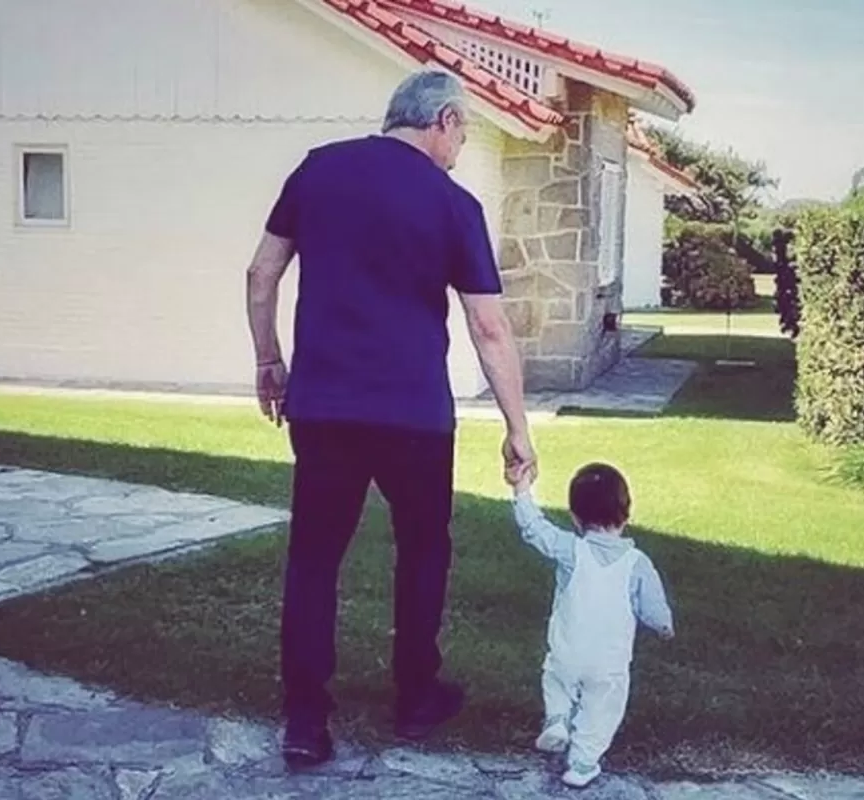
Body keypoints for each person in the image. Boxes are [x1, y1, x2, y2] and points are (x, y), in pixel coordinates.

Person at [245, 69, 538, 769]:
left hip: (323, 407)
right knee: (423, 551)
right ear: (441, 120)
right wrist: (518, 427)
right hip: (414, 417)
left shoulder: (318, 172)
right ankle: (415, 698)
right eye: (463, 130)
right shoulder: (453, 204)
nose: (462, 144)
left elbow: (261, 274)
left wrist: (269, 362)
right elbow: (489, 328)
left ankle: (306, 721)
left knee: (314, 557)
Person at [511, 462, 675, 789]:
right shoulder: (637, 564)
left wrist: (521, 489)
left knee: (556, 679)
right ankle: (583, 762)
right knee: (603, 708)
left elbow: (534, 528)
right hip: (608, 663)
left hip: (567, 652)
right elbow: (654, 609)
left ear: (574, 515)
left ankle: (557, 719)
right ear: (627, 513)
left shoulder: (571, 549)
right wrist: (664, 627)